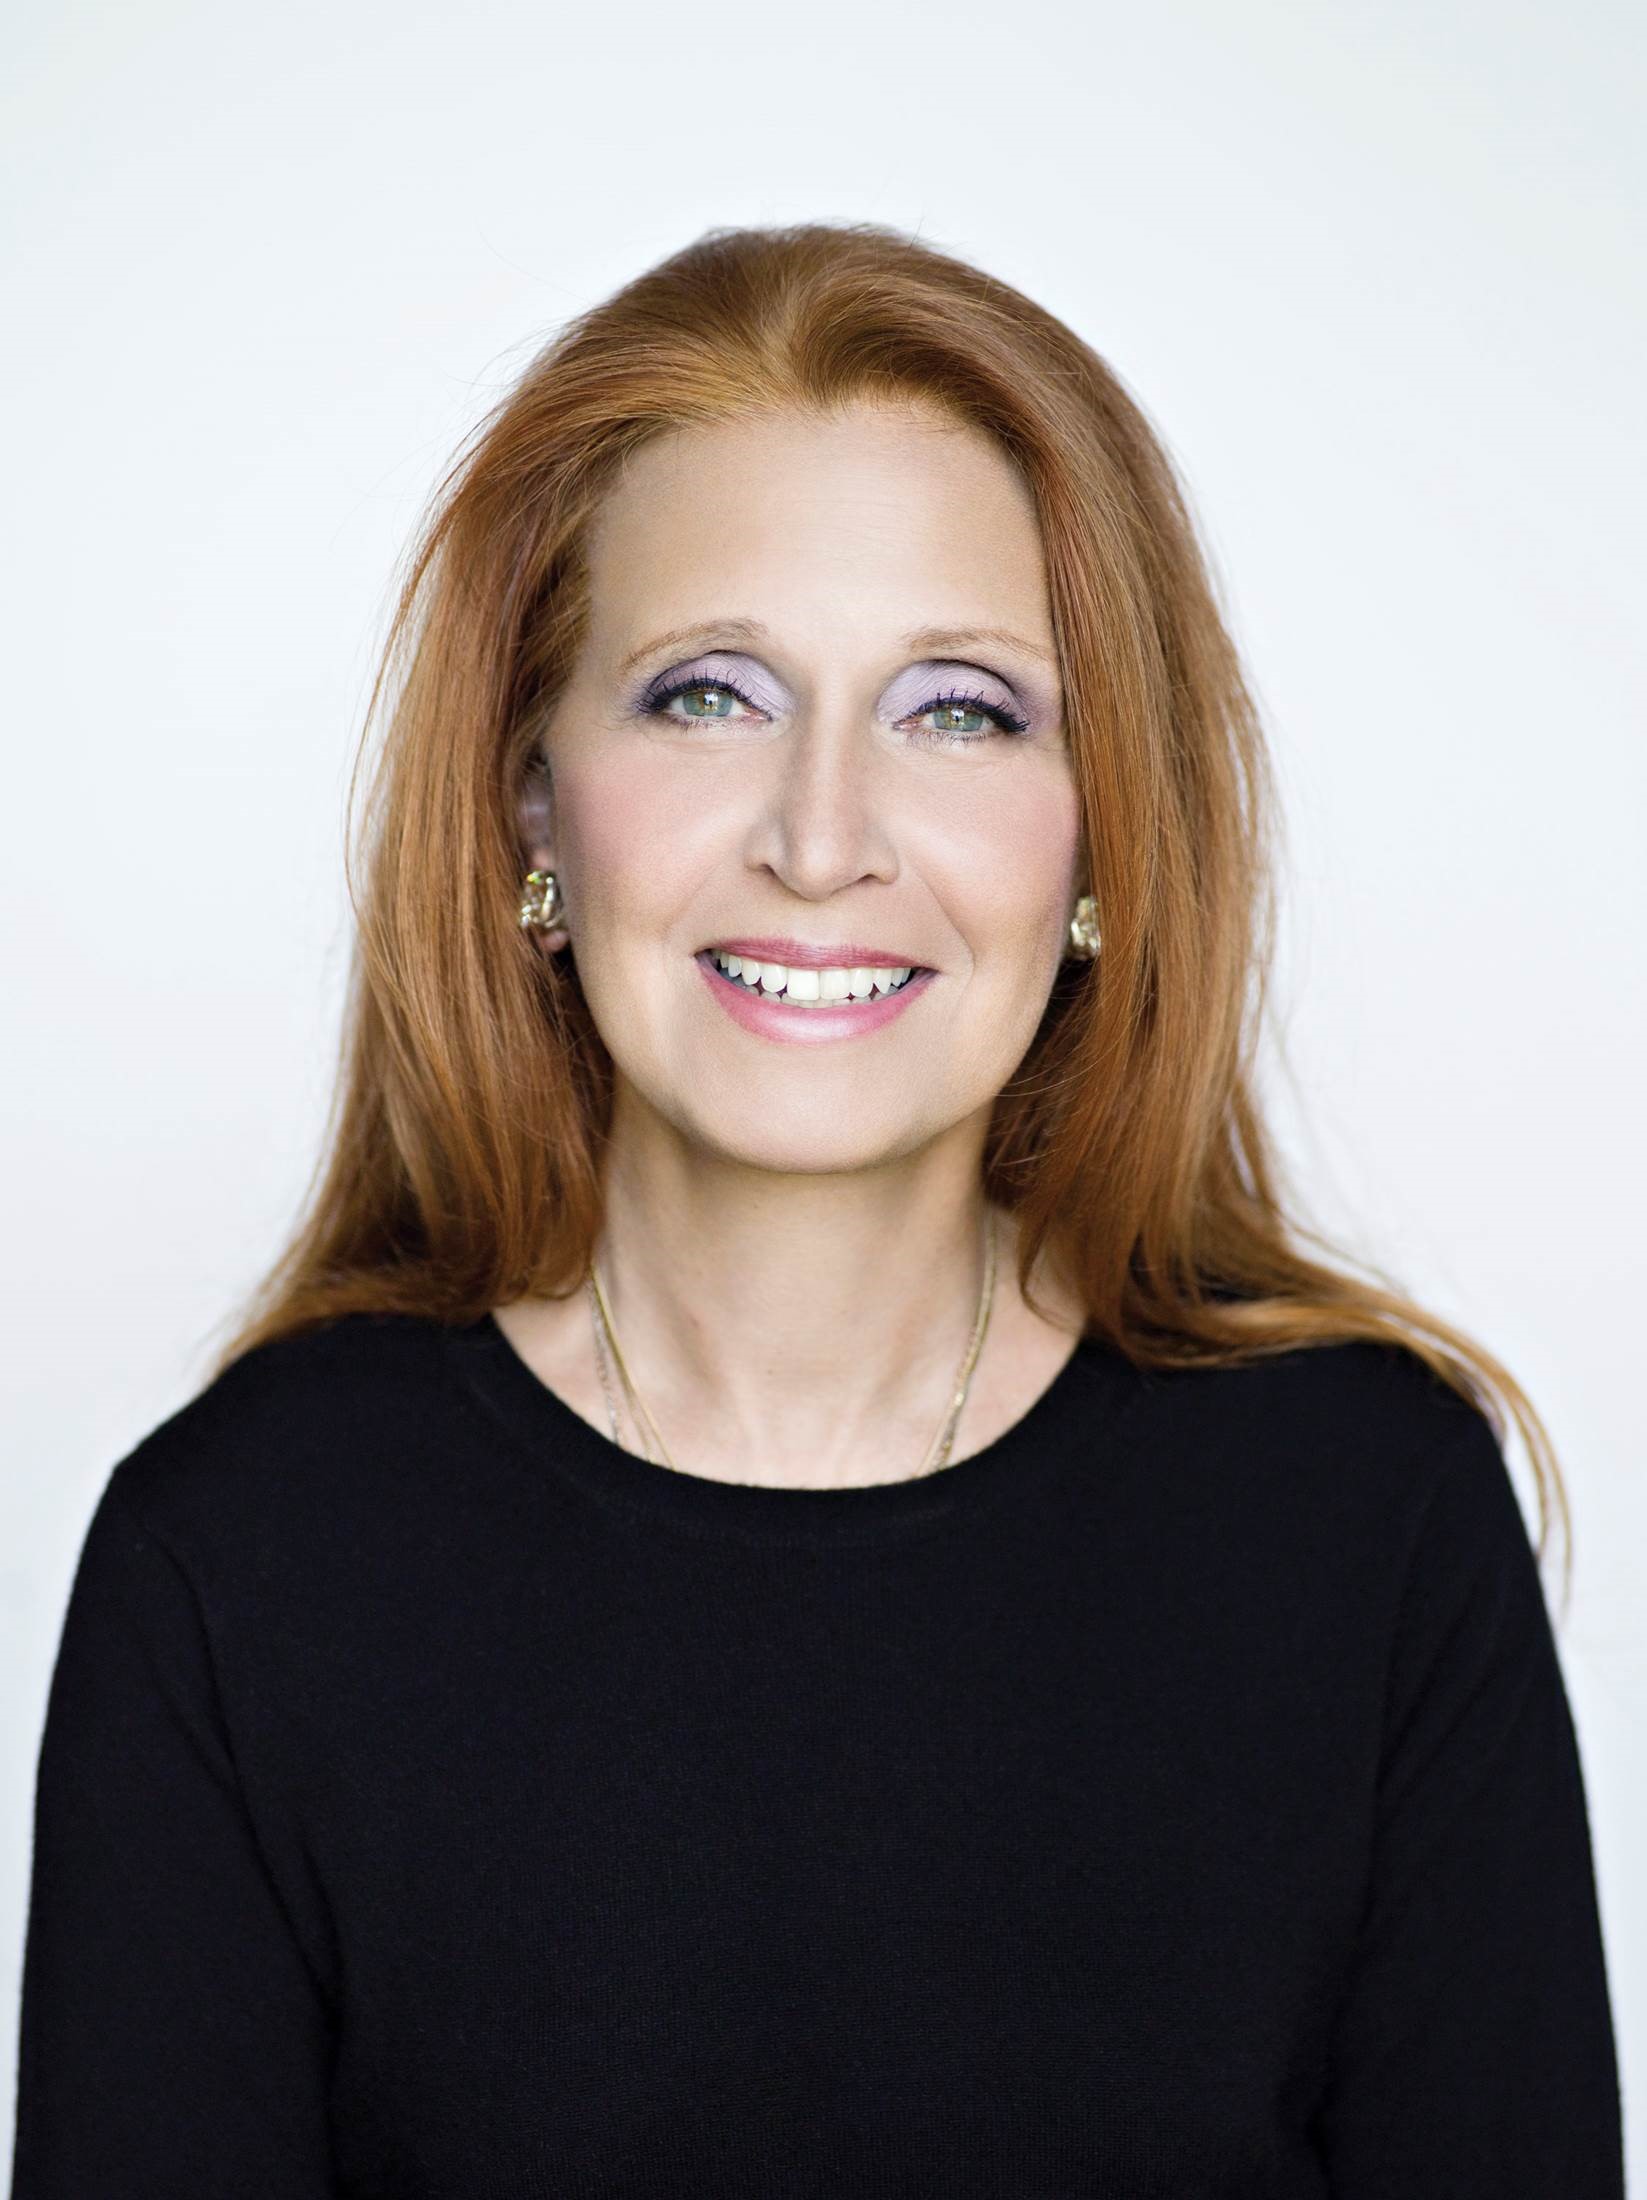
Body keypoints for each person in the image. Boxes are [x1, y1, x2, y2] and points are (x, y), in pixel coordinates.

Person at [10, 221, 1623, 2196]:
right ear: (533, 804)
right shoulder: (238, 1557)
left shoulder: (1368, 1522)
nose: (820, 837)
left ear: (1104, 837)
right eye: (709, 695)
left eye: (959, 710)